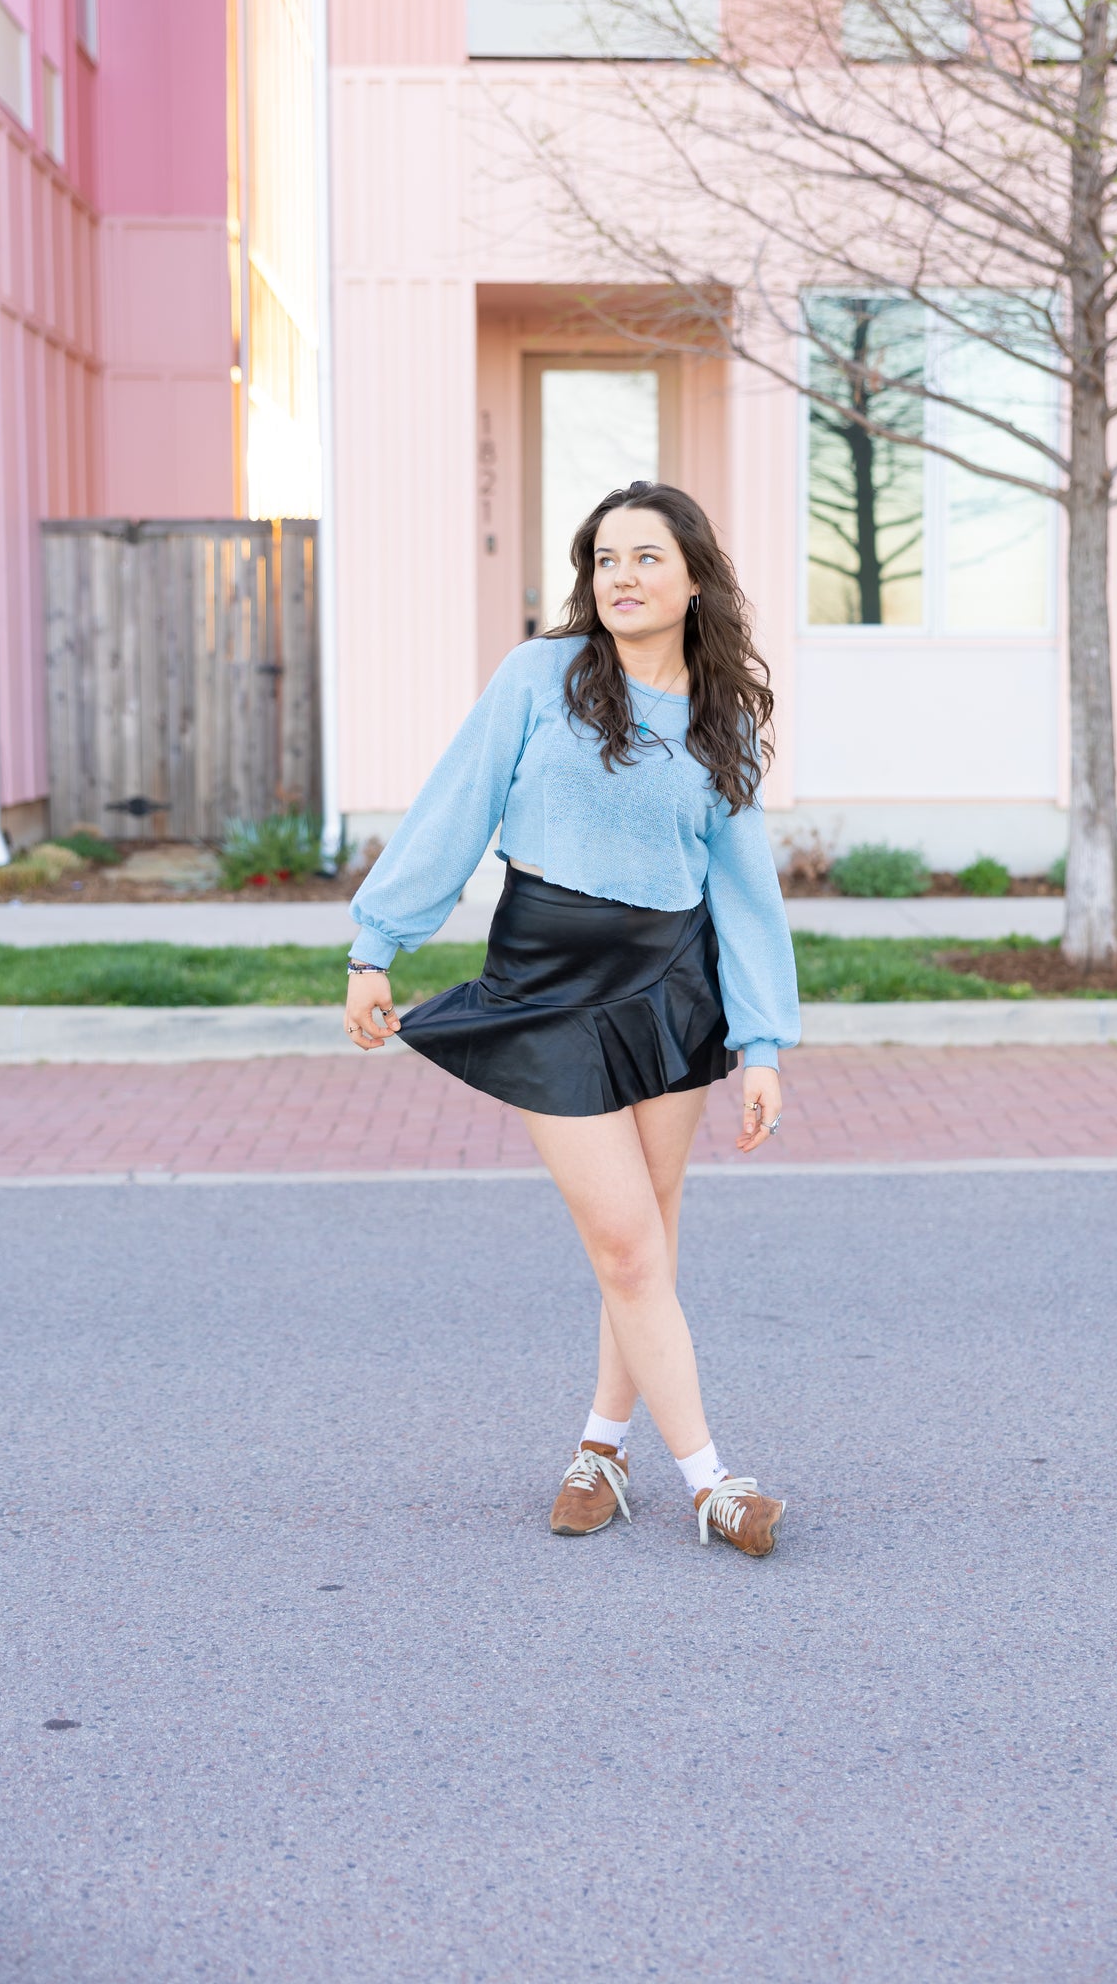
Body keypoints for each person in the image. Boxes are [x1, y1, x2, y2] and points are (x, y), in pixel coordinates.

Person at [342, 480, 800, 1557]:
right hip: (547, 983)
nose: (622, 578)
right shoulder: (539, 676)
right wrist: (377, 941)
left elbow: (744, 886)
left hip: (669, 986)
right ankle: (712, 1482)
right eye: (603, 560)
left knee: (642, 1241)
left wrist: (763, 1039)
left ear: (693, 577)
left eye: (645, 558)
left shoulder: (719, 715)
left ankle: (600, 1448)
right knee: (625, 1240)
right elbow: (453, 802)